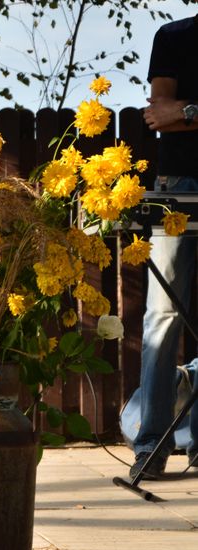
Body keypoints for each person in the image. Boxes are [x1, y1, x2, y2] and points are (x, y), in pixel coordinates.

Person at [137, 15, 198, 480]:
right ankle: (151, 447)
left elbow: (174, 113)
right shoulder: (174, 36)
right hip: (177, 186)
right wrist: (173, 113)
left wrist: (188, 112)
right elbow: (159, 112)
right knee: (162, 314)